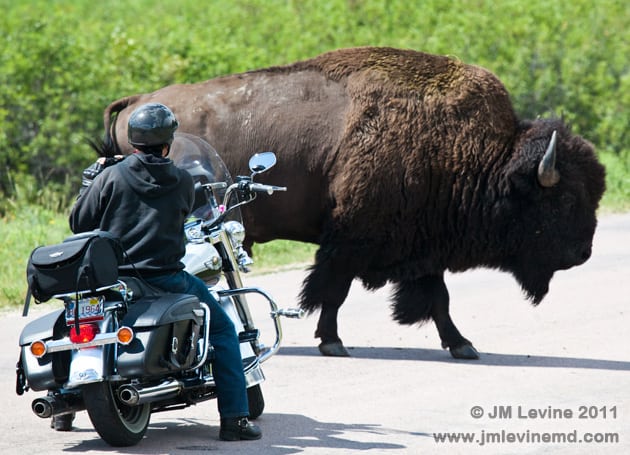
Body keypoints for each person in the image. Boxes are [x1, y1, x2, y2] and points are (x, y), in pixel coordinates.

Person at [67, 102, 262, 441]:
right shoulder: (182, 180)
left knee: (80, 324)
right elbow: (187, 214)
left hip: (112, 281)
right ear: (168, 143)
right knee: (224, 332)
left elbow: (78, 222)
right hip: (165, 279)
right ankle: (235, 421)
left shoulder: (110, 177)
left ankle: (64, 413)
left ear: (133, 141)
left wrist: (91, 181)